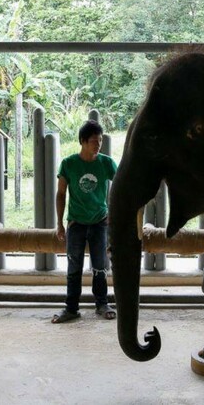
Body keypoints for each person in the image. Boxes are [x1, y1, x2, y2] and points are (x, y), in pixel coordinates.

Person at [52, 119, 117, 323]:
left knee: (100, 266)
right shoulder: (69, 164)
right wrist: (60, 223)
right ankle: (71, 308)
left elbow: (121, 186)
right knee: (74, 268)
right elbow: (61, 194)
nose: (98, 145)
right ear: (82, 141)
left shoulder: (106, 163)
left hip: (100, 221)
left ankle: (102, 304)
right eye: (93, 141)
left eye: (100, 141)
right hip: (76, 223)